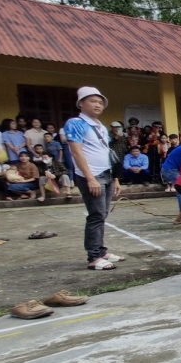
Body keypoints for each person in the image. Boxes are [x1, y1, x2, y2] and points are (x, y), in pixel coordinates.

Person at [65, 87, 122, 270]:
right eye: (93, 101)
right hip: (91, 175)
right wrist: (90, 178)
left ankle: (101, 250)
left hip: (106, 174)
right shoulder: (75, 123)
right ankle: (94, 257)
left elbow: (106, 152)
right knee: (96, 215)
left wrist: (115, 178)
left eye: (100, 102)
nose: (98, 105)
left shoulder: (101, 127)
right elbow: (76, 151)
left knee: (102, 214)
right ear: (81, 103)